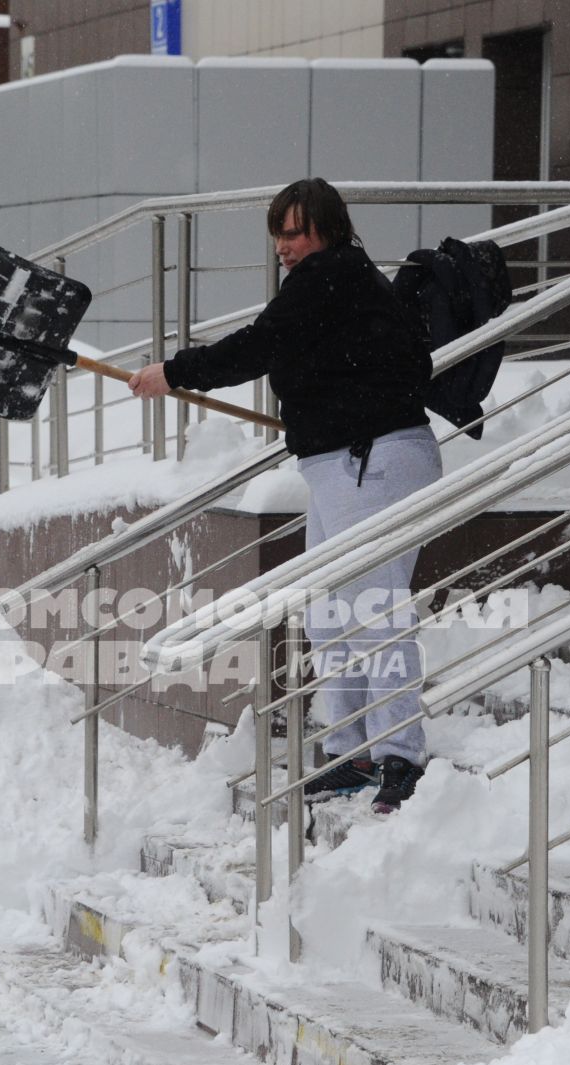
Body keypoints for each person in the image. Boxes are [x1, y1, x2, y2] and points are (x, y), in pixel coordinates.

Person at [128, 178, 441, 814]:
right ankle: (351, 751)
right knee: (329, 614)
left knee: (374, 611)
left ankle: (400, 755)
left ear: (326, 230)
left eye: (295, 231)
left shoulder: (331, 276)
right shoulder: (337, 287)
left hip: (374, 461)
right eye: (278, 232)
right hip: (347, 462)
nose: (283, 245)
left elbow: (260, 344)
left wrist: (175, 373)